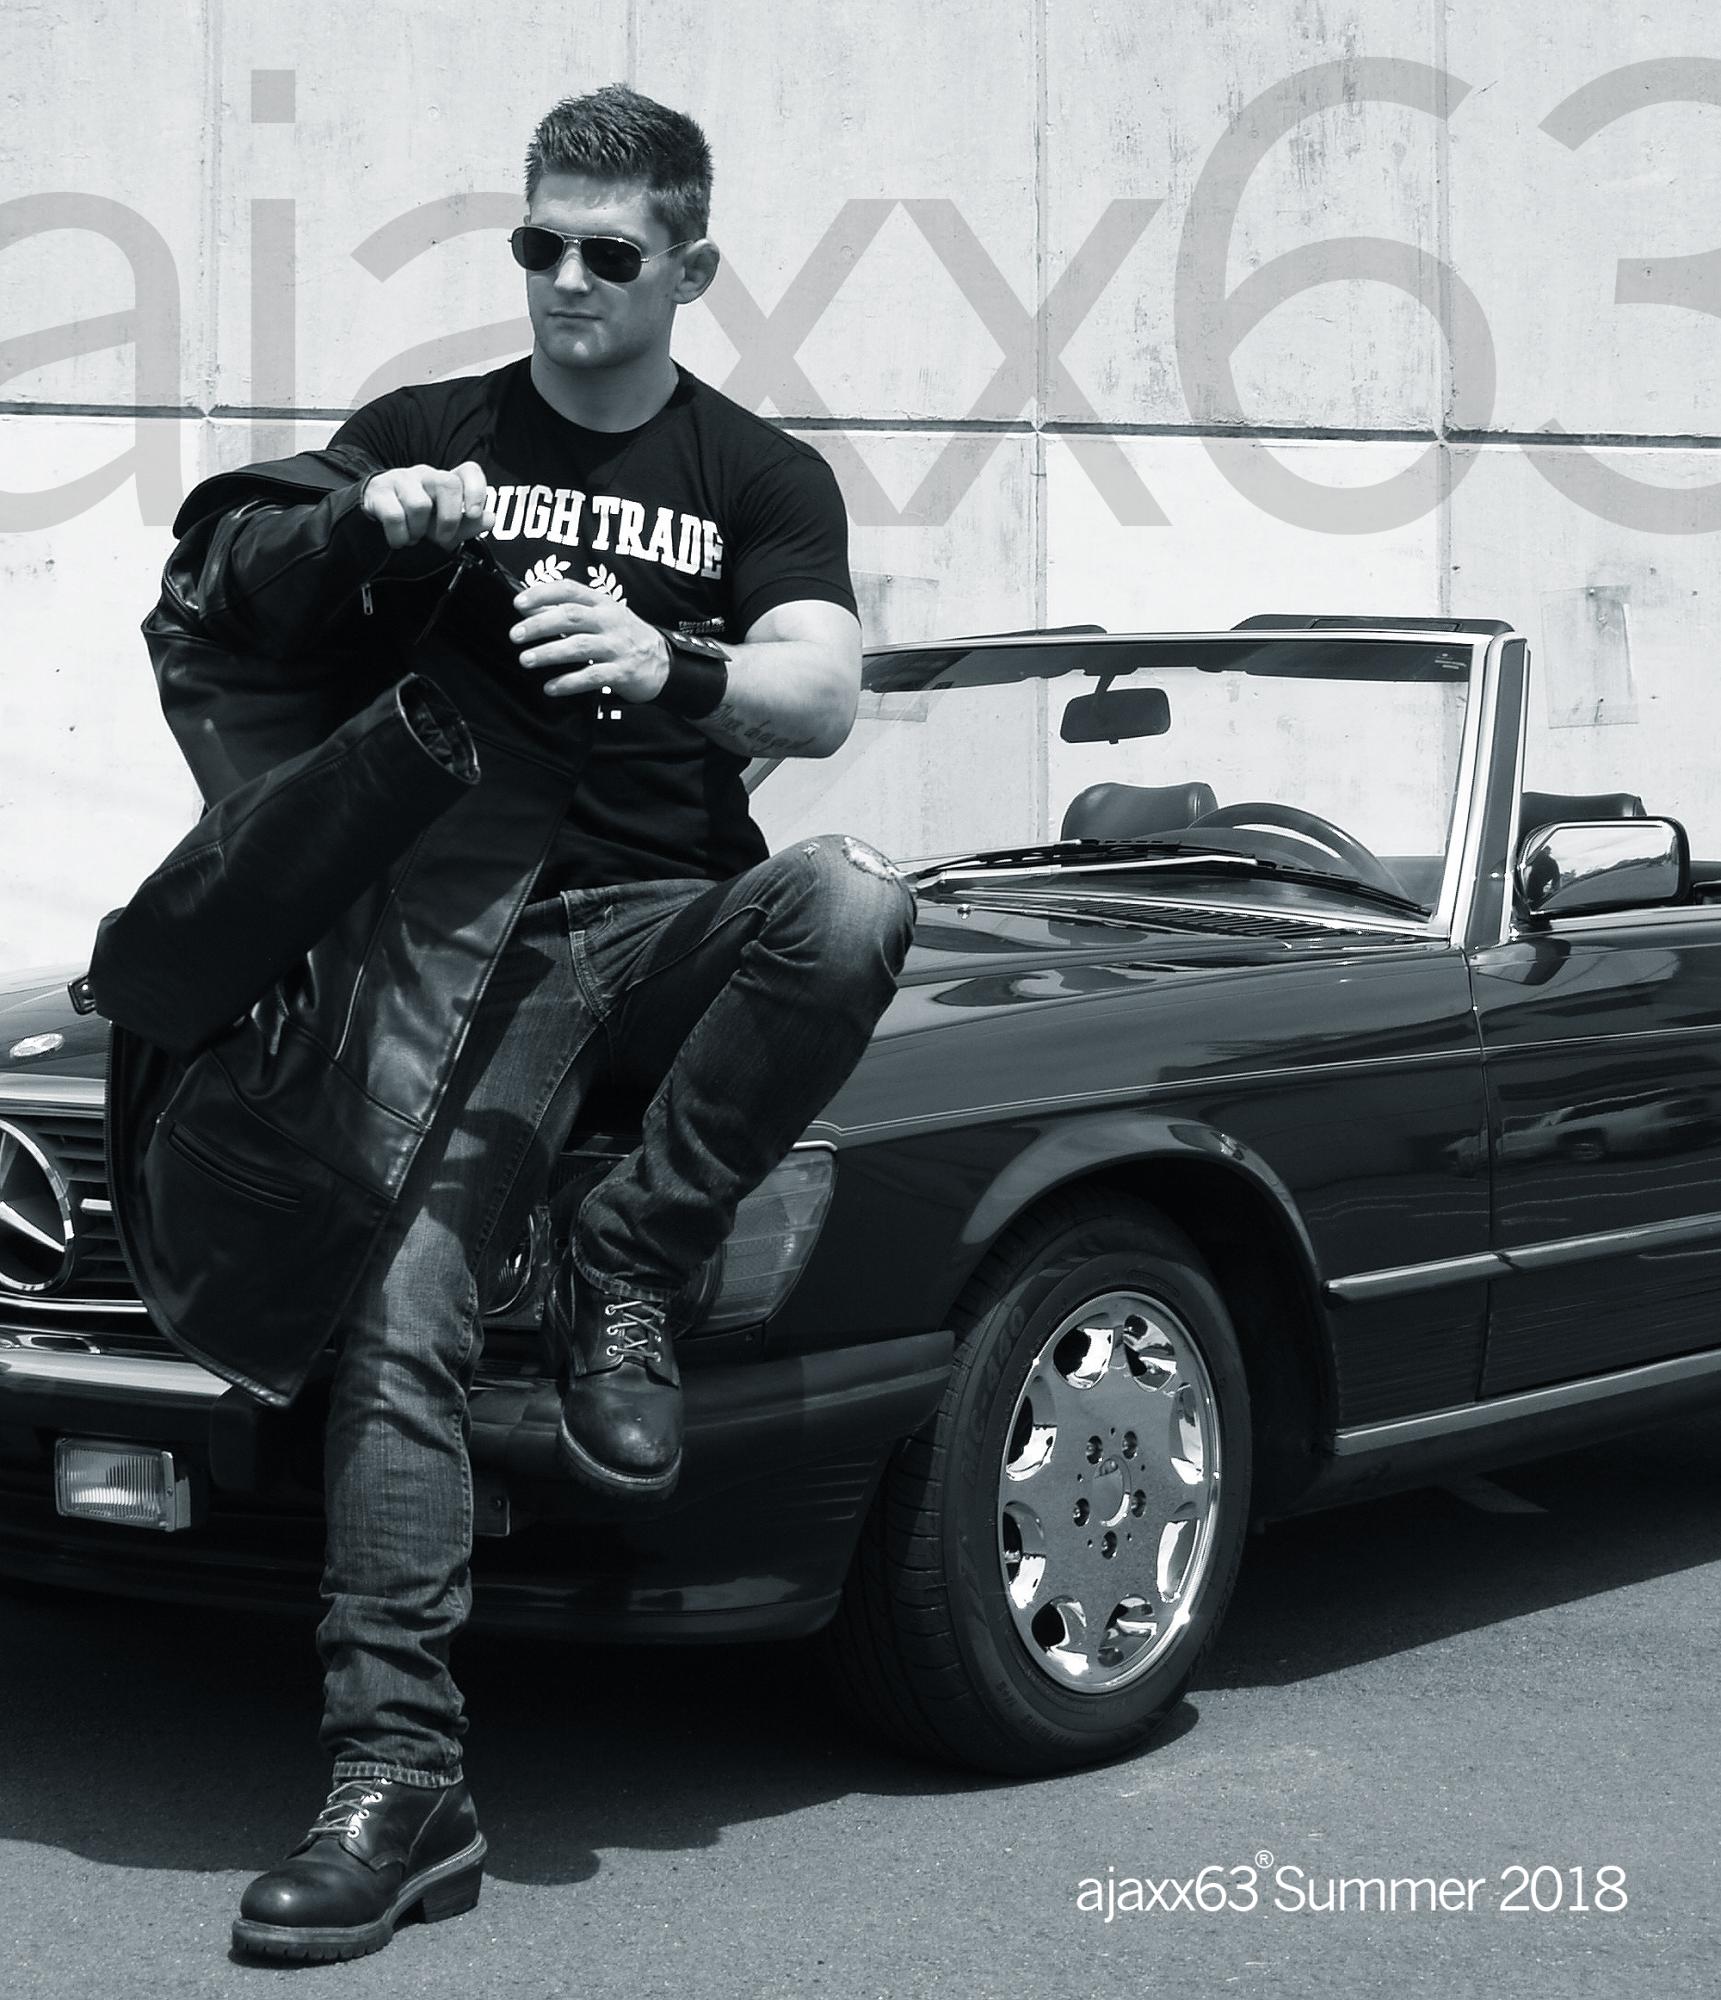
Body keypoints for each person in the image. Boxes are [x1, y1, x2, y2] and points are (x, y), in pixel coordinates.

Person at [219, 83, 916, 1963]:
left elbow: (822, 693)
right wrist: (358, 518)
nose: (567, 280)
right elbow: (241, 584)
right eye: (539, 244)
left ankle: (633, 1252)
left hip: (670, 917)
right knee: (402, 1313)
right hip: (464, 941)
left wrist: (668, 661)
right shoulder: (427, 430)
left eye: (610, 253)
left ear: (693, 267)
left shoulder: (756, 473)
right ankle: (397, 1782)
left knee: (854, 897)